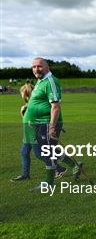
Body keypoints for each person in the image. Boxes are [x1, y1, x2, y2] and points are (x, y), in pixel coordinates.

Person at [25, 58, 81, 189]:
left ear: (47, 67)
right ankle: (74, 165)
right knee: (52, 149)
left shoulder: (50, 81)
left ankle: (49, 182)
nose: (36, 69)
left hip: (46, 124)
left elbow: (55, 106)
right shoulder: (40, 81)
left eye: (39, 66)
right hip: (38, 123)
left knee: (46, 152)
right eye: (33, 67)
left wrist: (51, 127)